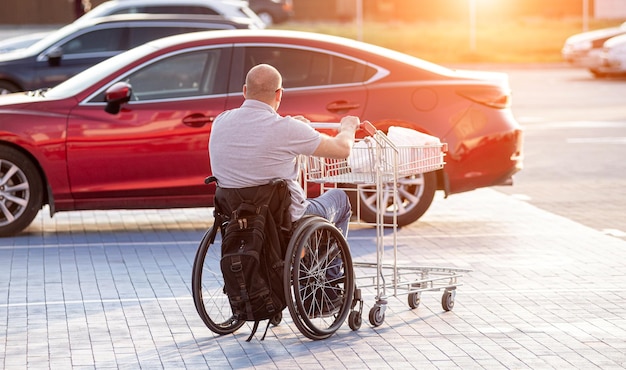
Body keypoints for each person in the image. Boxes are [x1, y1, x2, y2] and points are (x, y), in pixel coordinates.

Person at [208, 64, 360, 237]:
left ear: (245, 90)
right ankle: (330, 264)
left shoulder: (220, 122)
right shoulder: (287, 129)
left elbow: (256, 132)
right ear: (279, 93)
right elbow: (342, 149)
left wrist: (294, 126)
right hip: (284, 219)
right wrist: (348, 127)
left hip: (237, 216)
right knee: (339, 198)